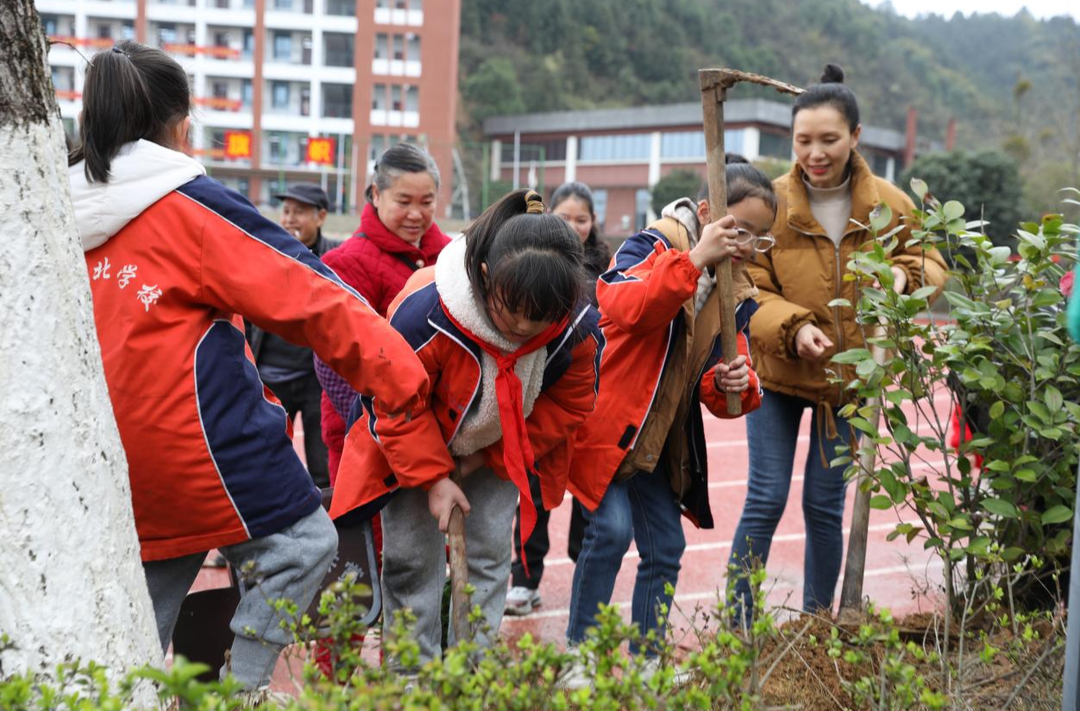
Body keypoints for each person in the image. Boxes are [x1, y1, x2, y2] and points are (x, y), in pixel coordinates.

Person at [69, 40, 429, 697]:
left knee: (141, 600)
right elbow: (309, 292)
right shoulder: (186, 203)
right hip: (196, 438)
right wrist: (406, 380)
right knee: (304, 544)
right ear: (182, 127)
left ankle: (129, 693)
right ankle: (242, 689)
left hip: (102, 452)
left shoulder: (58, 211)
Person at [328, 190, 603, 670]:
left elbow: (569, 404)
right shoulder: (426, 313)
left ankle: (471, 674)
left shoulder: (575, 329)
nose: (520, 326)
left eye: (537, 318)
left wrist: (485, 459)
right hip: (410, 446)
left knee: (490, 558)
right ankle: (412, 679)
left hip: (498, 444)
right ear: (483, 276)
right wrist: (435, 478)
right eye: (510, 309)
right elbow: (394, 406)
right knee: (412, 561)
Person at [730, 64, 948, 622]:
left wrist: (905, 276)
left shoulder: (891, 205)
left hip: (849, 381)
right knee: (765, 498)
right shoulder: (770, 203)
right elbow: (744, 283)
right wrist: (794, 326)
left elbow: (929, 260)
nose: (815, 152)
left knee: (824, 506)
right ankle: (737, 626)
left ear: (855, 136)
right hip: (778, 374)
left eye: (829, 139)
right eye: (804, 141)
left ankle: (815, 622)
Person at [563, 156, 768, 682]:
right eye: (739, 231)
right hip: (609, 422)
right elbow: (623, 306)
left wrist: (732, 387)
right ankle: (577, 657)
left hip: (658, 436)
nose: (745, 247)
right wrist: (695, 259)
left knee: (667, 546)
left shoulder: (735, 291)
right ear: (707, 212)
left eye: (759, 239)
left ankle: (649, 661)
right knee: (609, 531)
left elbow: (716, 374)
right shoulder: (653, 244)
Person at [313, 144, 450, 482]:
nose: (416, 214)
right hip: (369, 435)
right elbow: (334, 362)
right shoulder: (346, 263)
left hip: (442, 430)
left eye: (426, 202)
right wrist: (376, 426)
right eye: (403, 202)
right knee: (373, 534)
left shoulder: (452, 256)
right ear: (376, 194)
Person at [505, 181, 607, 615]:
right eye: (564, 218)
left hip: (587, 403)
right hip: (540, 398)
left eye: (580, 220)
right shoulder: (529, 266)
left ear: (593, 224)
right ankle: (525, 580)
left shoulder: (606, 270)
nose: (573, 227)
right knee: (533, 497)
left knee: (588, 500)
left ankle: (585, 579)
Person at [246, 183, 339, 488]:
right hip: (270, 379)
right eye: (286, 211)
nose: (290, 219)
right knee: (266, 461)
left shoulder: (336, 258)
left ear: (321, 216)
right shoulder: (266, 253)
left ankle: (334, 532)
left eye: (300, 212)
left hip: (316, 381)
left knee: (322, 466)